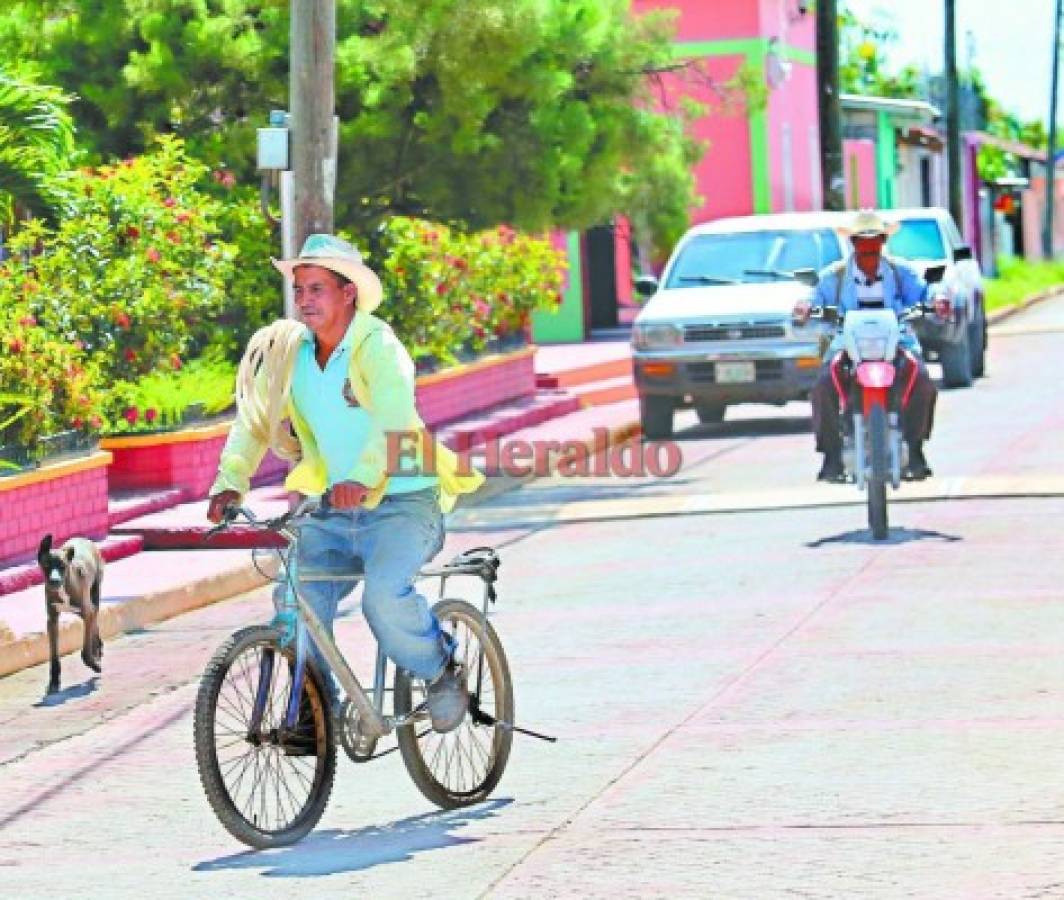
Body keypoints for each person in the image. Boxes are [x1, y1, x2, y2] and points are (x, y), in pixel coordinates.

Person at [206, 233, 484, 734]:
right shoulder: (290, 352)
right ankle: (315, 712)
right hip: (333, 512)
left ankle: (442, 669)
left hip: (403, 504)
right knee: (294, 606)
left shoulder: (378, 345)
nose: (305, 300)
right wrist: (230, 484)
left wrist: (362, 476)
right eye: (300, 290)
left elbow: (396, 417)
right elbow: (252, 420)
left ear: (348, 292)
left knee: (384, 599)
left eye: (317, 289)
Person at [795, 211, 939, 483]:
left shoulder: (901, 272)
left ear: (884, 241)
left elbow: (926, 294)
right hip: (846, 344)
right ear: (853, 243)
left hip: (897, 340)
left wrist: (938, 301)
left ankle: (916, 448)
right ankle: (831, 455)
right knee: (823, 385)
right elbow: (813, 297)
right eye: (862, 240)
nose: (869, 247)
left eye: (876, 240)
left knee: (922, 382)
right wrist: (805, 307)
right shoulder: (834, 276)